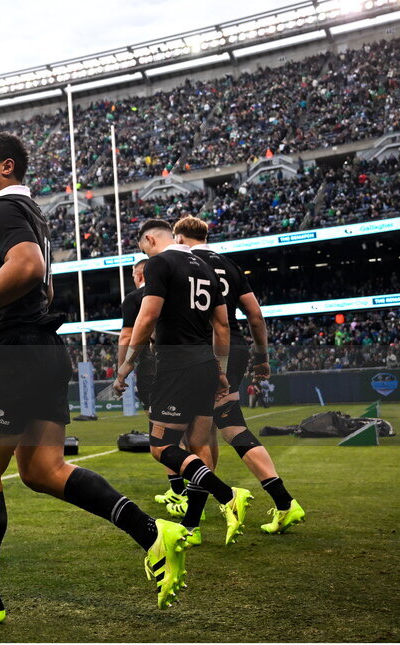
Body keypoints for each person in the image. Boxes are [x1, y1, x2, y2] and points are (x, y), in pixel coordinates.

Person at [0, 132, 188, 624]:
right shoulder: (33, 214)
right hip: (41, 351)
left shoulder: (0, 209)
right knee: (42, 471)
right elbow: (34, 288)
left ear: (5, 168)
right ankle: (152, 532)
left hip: (13, 358)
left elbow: (28, 267)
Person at [114, 218, 252, 548]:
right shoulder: (205, 266)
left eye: (140, 248)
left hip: (176, 368)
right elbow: (222, 326)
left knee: (162, 448)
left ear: (149, 239)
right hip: (206, 364)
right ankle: (192, 526)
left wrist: (126, 367)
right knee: (200, 445)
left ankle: (227, 494)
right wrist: (220, 368)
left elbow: (146, 319)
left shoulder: (160, 263)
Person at [173, 216, 304, 535]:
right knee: (229, 424)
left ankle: (192, 522)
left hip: (204, 351)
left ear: (179, 237)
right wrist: (262, 356)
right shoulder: (230, 266)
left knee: (196, 435)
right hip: (237, 347)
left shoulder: (182, 263)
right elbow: (255, 315)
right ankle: (285, 503)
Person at [118, 260, 176, 504]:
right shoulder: (175, 290)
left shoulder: (135, 298)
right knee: (194, 433)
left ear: (140, 273)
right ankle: (197, 492)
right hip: (187, 363)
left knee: (161, 437)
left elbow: (127, 336)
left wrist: (122, 371)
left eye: (133, 273)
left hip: (153, 368)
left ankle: (180, 492)